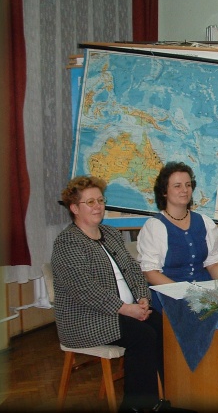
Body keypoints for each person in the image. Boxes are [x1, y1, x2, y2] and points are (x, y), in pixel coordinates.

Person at [51, 176, 164, 412]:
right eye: (90, 202)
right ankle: (134, 407)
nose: (98, 206)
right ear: (74, 208)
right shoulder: (67, 242)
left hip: (124, 311)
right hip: (86, 319)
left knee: (161, 326)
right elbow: (85, 289)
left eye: (101, 200)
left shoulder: (110, 233)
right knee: (143, 336)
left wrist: (143, 299)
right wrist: (127, 309)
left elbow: (133, 269)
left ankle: (158, 400)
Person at [136, 162, 218, 312]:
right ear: (164, 191)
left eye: (188, 185)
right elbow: (150, 274)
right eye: (177, 186)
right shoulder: (155, 227)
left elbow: (213, 264)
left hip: (206, 296)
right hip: (170, 299)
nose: (184, 190)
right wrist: (186, 294)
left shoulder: (205, 222)